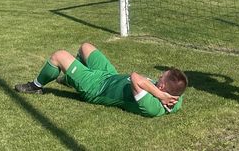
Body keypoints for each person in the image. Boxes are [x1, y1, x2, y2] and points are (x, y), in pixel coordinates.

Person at [15, 42, 187, 118]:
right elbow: (179, 92)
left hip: (97, 87)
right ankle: (70, 79)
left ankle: (35, 86)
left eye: (161, 76)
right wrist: (166, 95)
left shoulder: (152, 106)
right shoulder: (175, 99)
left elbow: (135, 77)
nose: (158, 76)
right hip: (110, 75)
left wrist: (160, 95)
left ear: (162, 87)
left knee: (59, 56)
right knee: (85, 47)